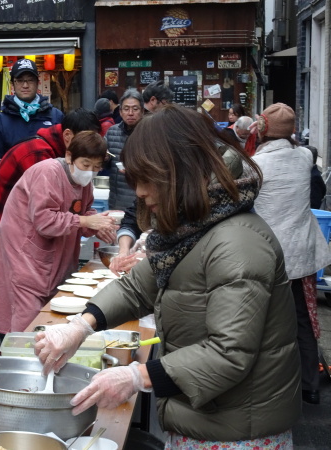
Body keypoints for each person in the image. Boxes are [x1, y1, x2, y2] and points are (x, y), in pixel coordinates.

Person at [35, 104, 301, 448]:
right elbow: (137, 286)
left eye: (146, 180)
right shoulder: (194, 225)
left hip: (239, 433)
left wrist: (136, 376)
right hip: (205, 417)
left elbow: (228, 353)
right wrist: (81, 326)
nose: (141, 193)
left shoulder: (237, 241)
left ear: (180, 171)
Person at [0, 131, 117, 334]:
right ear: (69, 157)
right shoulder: (48, 172)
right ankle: (20, 357)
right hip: (25, 251)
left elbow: (83, 212)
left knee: (54, 309)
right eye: (85, 165)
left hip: (55, 252)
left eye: (96, 168)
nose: (90, 172)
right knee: (29, 316)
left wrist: (96, 224)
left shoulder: (84, 181)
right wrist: (85, 220)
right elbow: (44, 220)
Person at [252, 103, 331, 405]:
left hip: (268, 255)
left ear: (263, 130)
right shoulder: (304, 157)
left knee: (266, 322)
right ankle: (310, 385)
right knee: (302, 320)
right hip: (302, 256)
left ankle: (272, 386)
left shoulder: (256, 165)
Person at [0, 108, 102, 257]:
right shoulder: (41, 157)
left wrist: (93, 222)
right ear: (67, 135)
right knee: (16, 270)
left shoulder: (63, 152)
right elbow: (47, 212)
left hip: (23, 219)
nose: (90, 148)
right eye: (85, 140)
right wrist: (85, 221)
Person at [0, 59, 64, 164]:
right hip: (14, 180)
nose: (25, 85)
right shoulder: (1, 121)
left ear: (37, 83)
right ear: (13, 84)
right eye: (20, 80)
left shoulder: (55, 116)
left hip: (48, 179)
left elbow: (64, 157)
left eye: (30, 80)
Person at [104, 89, 144, 212]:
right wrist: (104, 159)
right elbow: (103, 162)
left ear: (142, 111)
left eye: (135, 109)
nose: (130, 113)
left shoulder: (150, 132)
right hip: (117, 202)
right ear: (120, 112)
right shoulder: (112, 132)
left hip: (143, 200)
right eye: (126, 109)